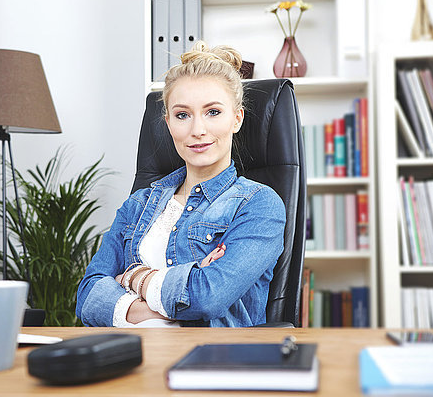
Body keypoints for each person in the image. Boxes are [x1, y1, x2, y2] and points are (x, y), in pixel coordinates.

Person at [76, 41, 286, 327]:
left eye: (213, 112)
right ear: (168, 122)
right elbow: (87, 297)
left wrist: (132, 277)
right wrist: (185, 288)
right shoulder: (137, 205)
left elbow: (208, 298)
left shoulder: (259, 204)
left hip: (211, 363)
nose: (197, 130)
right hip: (133, 359)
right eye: (182, 115)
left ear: (236, 119)